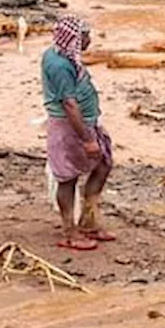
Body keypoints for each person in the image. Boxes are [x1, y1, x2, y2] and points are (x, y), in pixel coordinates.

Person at [42, 16, 115, 251]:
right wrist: (86, 139)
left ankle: (89, 220)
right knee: (68, 176)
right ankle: (70, 231)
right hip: (69, 126)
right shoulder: (60, 65)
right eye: (85, 36)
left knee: (103, 164)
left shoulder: (63, 57)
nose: (89, 40)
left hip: (86, 122)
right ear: (74, 39)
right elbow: (69, 104)